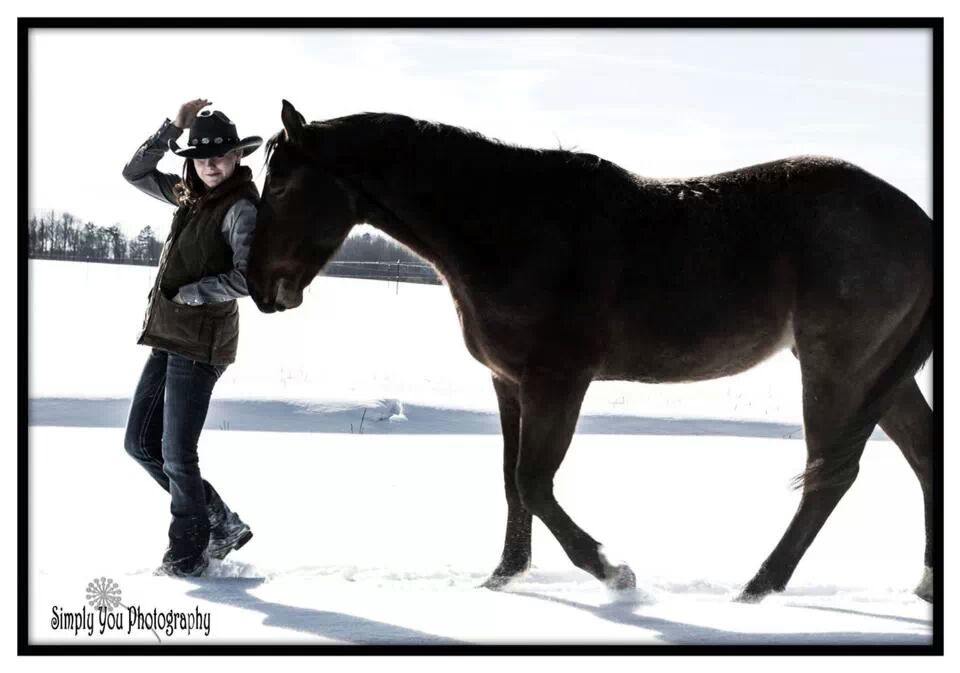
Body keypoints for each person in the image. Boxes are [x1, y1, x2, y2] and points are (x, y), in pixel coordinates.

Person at [121, 98, 262, 576]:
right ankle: (219, 521)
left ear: (237, 156)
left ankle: (187, 552)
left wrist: (195, 294)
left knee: (177, 452)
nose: (211, 164)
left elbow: (251, 277)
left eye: (221, 155)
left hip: (202, 341)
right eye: (202, 157)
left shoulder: (241, 208)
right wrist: (171, 126)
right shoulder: (188, 192)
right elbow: (135, 172)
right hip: (168, 335)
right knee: (140, 444)